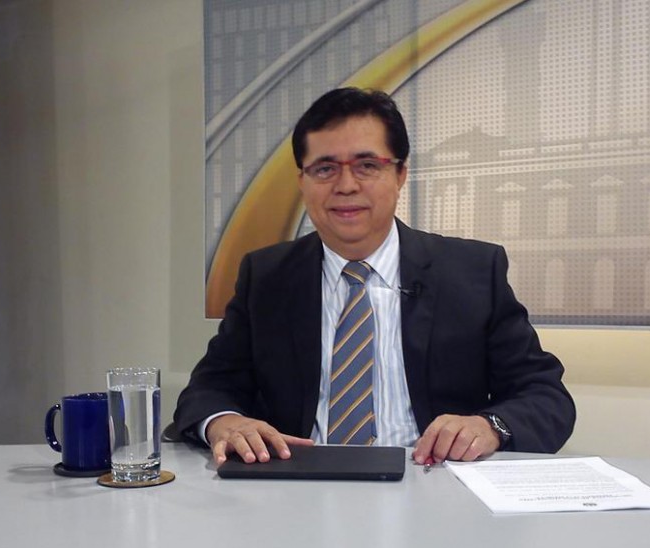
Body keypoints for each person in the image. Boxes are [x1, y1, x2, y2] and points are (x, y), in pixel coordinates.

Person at [174, 87, 575, 466]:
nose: (346, 186)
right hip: (298, 484)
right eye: (325, 168)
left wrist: (489, 427)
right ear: (302, 182)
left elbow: (545, 396)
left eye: (367, 165)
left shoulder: (472, 270)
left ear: (400, 174)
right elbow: (209, 388)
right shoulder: (267, 276)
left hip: (433, 481)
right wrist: (224, 422)